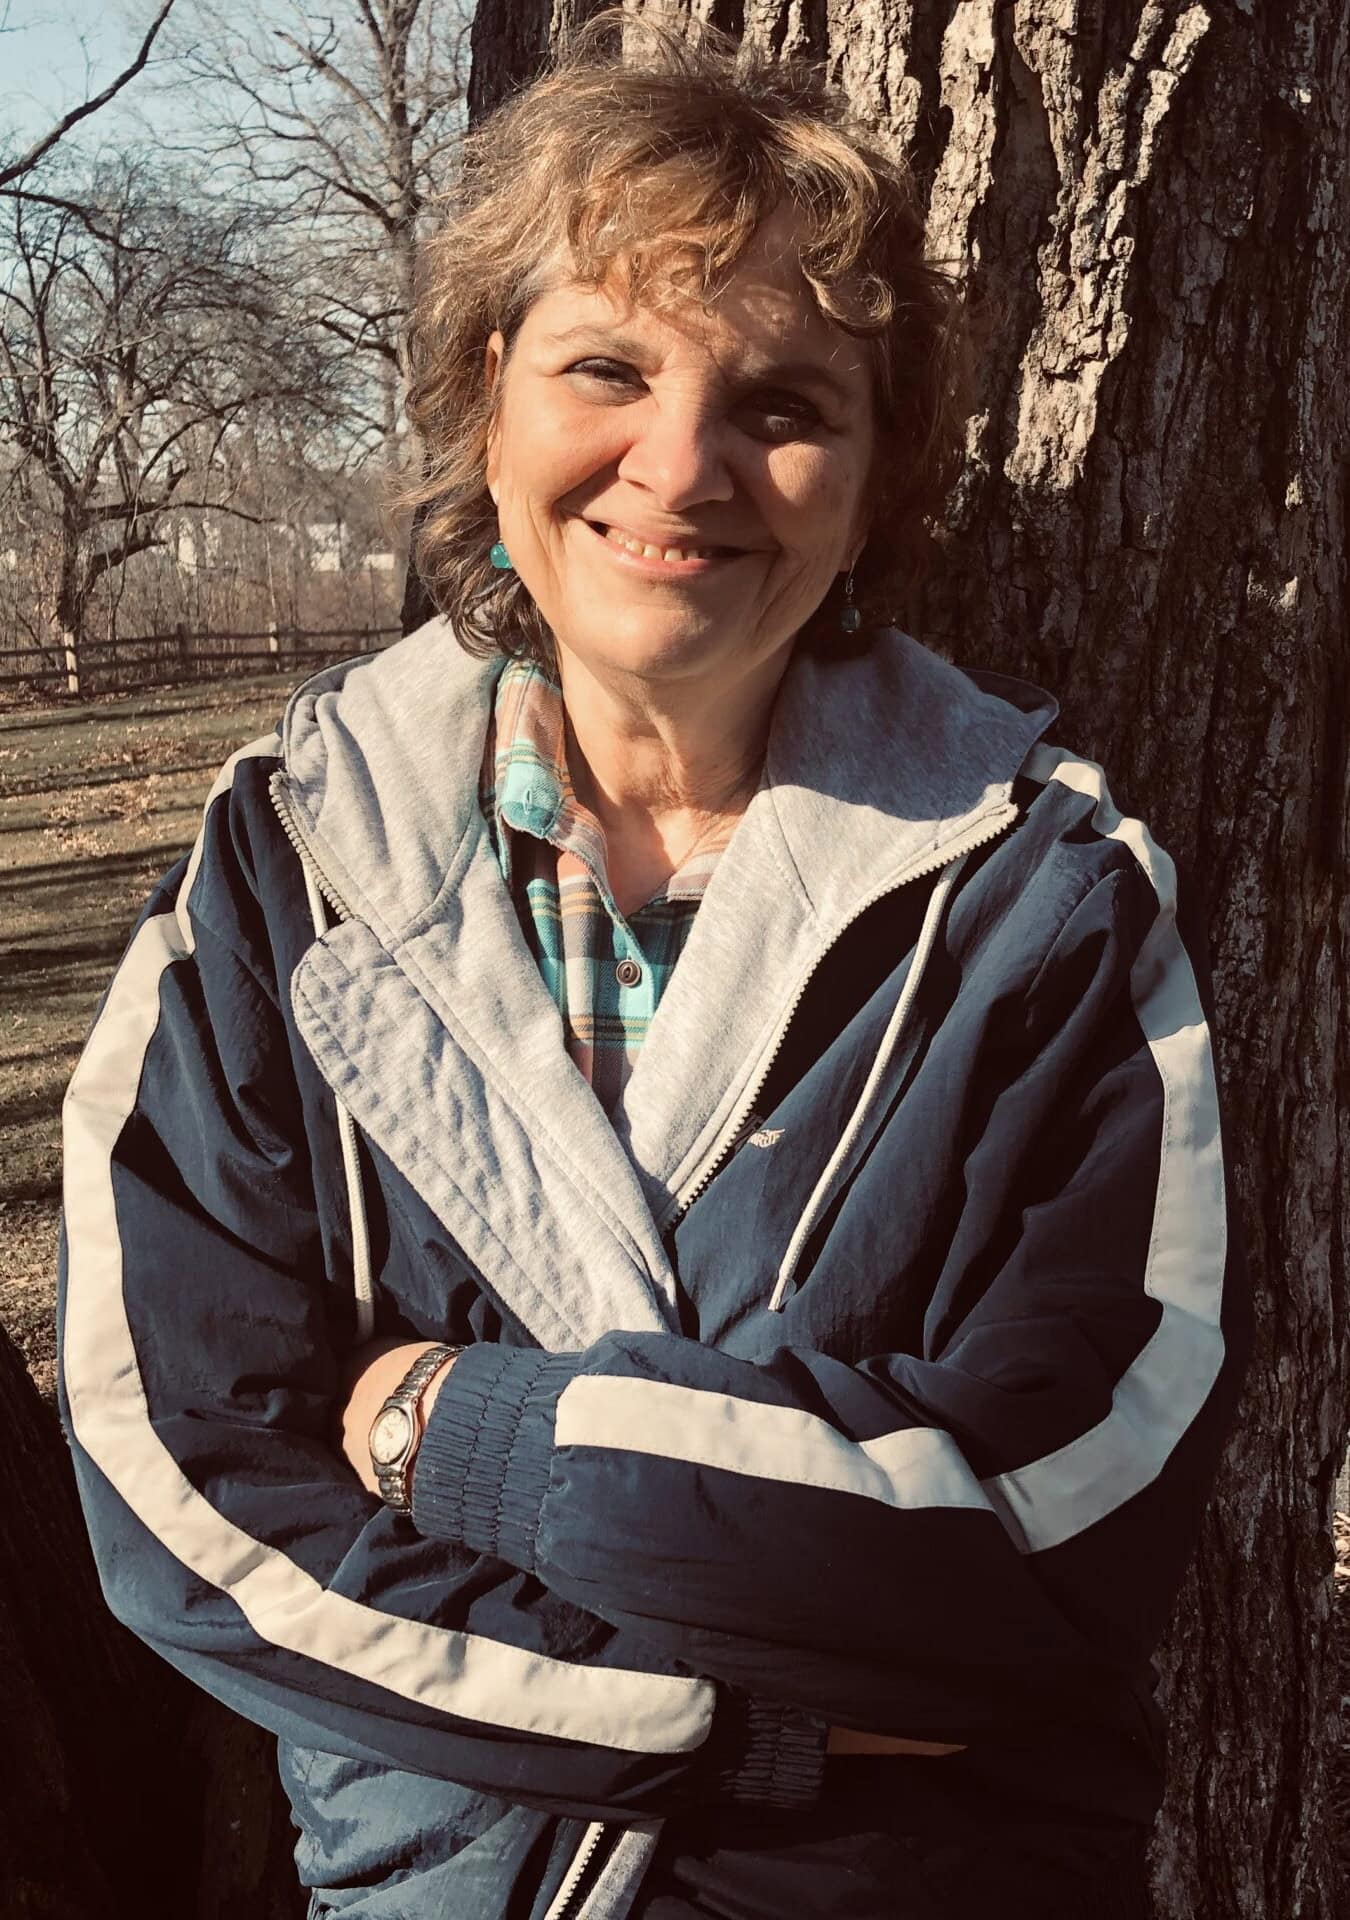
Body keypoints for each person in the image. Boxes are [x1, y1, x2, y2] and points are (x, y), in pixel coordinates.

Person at [56, 12, 1253, 1919]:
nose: (679, 467)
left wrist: (453, 1429)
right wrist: (736, 1722)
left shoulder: (1039, 898)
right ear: (482, 405)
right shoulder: (285, 869)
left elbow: (1059, 1527)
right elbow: (179, 1486)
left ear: (876, 479)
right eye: (606, 366)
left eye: (783, 405)